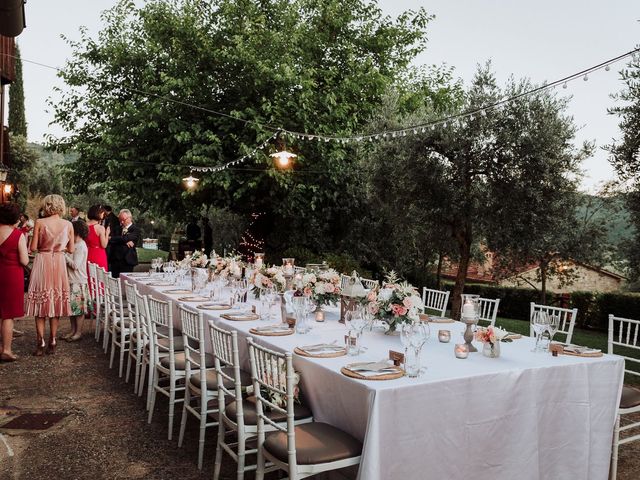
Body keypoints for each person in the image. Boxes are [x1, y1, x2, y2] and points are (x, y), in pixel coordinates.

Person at [25, 194, 75, 356]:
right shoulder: (68, 224)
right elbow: (72, 249)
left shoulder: (40, 222)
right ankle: (53, 339)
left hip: (43, 261)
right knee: (56, 302)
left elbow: (33, 248)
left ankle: (41, 341)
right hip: (59, 262)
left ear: (46, 206)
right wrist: (59, 247)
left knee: (41, 304)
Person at [0, 203, 29, 362]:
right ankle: (6, 350)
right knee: (8, 315)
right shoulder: (18, 235)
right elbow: (24, 260)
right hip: (11, 275)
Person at [64, 220, 90, 341]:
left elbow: (75, 265)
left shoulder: (81, 246)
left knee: (78, 310)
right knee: (71, 308)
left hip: (78, 281)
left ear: (77, 232)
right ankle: (72, 330)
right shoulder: (75, 245)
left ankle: (78, 332)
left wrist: (64, 256)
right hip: (71, 280)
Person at [109, 209, 140, 278]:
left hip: (127, 261)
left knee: (125, 282)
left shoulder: (135, 229)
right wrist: (125, 240)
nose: (122, 222)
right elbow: (110, 241)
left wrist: (118, 239)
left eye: (123, 219)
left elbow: (117, 238)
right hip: (115, 260)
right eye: (120, 220)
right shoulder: (117, 228)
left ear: (130, 218)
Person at [86, 204, 109, 272]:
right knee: (99, 276)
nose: (103, 214)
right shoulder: (100, 228)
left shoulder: (84, 225)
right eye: (102, 213)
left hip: (87, 252)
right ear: (98, 213)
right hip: (98, 254)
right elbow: (104, 245)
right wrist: (107, 234)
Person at [102, 205, 121, 271]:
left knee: (108, 257)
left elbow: (113, 230)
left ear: (105, 210)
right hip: (108, 240)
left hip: (110, 241)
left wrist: (109, 237)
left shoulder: (112, 219)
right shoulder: (108, 217)